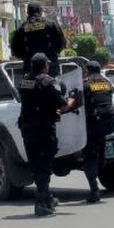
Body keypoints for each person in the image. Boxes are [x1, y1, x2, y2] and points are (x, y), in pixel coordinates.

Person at [17, 53, 78, 216]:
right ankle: (40, 203)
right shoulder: (47, 81)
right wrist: (73, 99)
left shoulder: (24, 81)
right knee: (44, 166)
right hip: (43, 129)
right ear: (45, 65)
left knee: (36, 166)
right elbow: (63, 106)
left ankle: (47, 199)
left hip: (27, 129)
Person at [82, 61, 114, 204]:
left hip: (96, 123)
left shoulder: (86, 84)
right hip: (111, 121)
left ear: (87, 71)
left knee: (90, 155)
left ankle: (94, 190)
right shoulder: (107, 83)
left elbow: (81, 103)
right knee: (99, 150)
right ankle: (99, 166)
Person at [10, 1, 66, 76]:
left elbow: (15, 49)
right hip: (50, 65)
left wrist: (26, 57)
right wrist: (53, 53)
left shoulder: (21, 28)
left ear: (28, 12)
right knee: (56, 86)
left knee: (26, 86)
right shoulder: (50, 24)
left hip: (29, 67)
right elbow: (62, 42)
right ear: (40, 11)